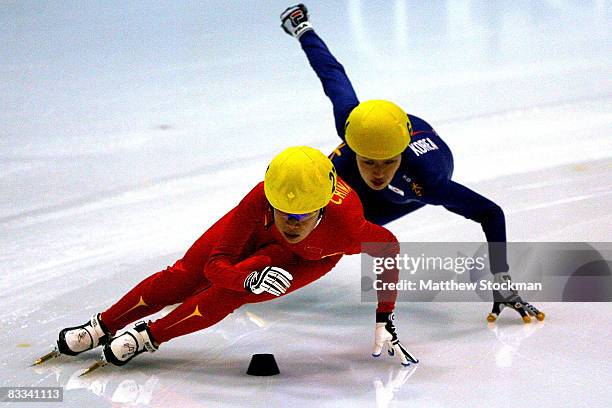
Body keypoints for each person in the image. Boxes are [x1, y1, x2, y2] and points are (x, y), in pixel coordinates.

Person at [280, 4, 545, 323]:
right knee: (304, 197)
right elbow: (332, 74)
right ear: (355, 146)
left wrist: (502, 279)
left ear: (400, 156)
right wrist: (303, 30)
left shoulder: (428, 181)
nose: (377, 173)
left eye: (387, 162)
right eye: (369, 162)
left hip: (408, 188)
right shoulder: (355, 127)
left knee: (337, 233)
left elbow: (491, 213)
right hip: (369, 164)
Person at [51, 146, 418, 368]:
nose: (291, 224)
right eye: (283, 212)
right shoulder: (258, 198)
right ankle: (101, 326)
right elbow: (214, 265)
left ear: (321, 209)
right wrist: (246, 276)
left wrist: (383, 316)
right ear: (269, 198)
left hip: (308, 258)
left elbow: (389, 249)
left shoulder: (348, 229)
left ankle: (150, 337)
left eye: (302, 216)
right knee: (186, 274)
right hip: (258, 229)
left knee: (230, 294)